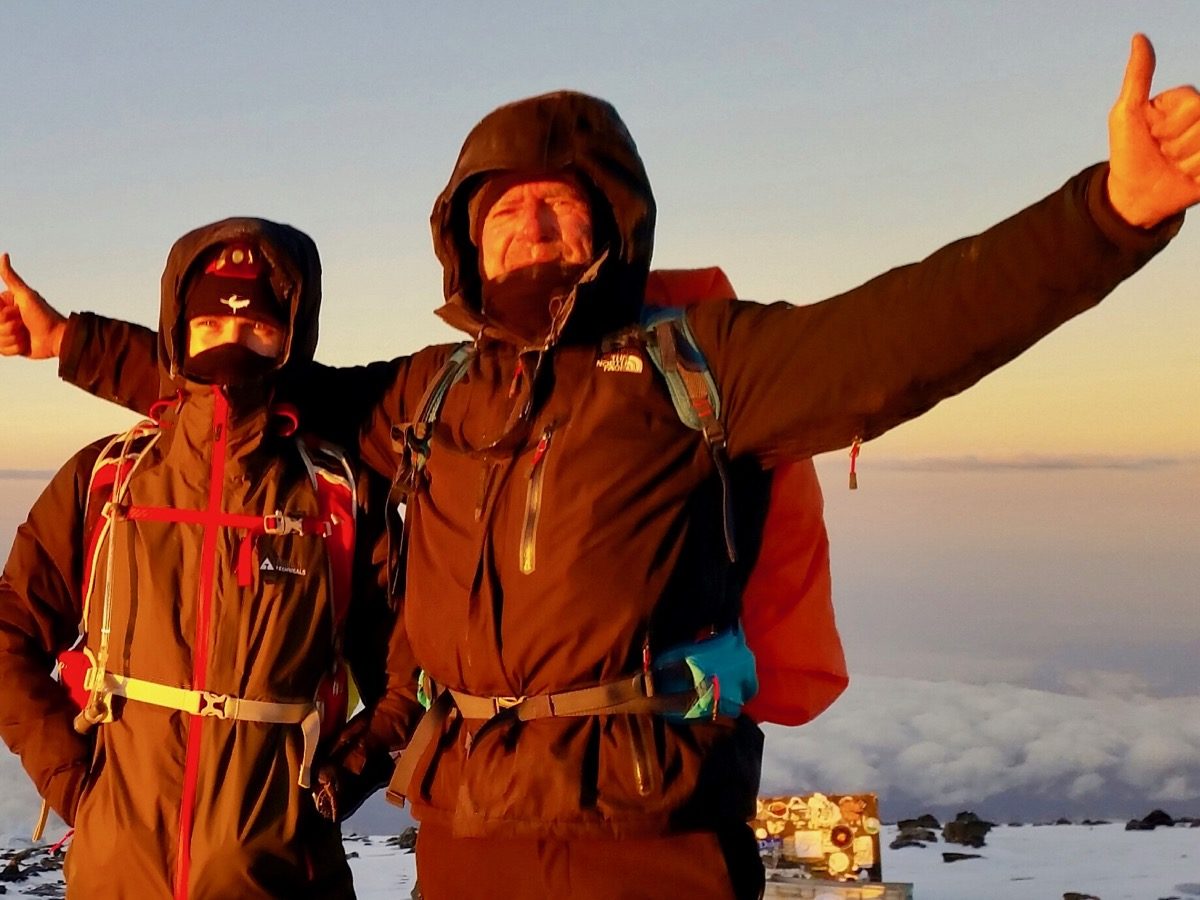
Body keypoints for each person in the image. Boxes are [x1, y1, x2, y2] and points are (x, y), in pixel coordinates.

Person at [3, 33, 1198, 900]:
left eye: (563, 204)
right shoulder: (431, 393)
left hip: (652, 843)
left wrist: (1108, 218)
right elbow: (246, 392)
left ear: (612, 230)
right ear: (467, 238)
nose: (533, 221)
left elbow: (905, 333)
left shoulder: (700, 365)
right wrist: (71, 345)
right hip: (465, 843)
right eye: (506, 206)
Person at [0, 219, 420, 900]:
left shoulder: (339, 497)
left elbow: (410, 680)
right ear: (178, 335)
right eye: (211, 327)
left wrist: (344, 775)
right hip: (117, 878)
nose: (234, 347)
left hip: (284, 881)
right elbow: (8, 634)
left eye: (258, 329)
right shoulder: (108, 481)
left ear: (292, 339)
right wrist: (77, 787)